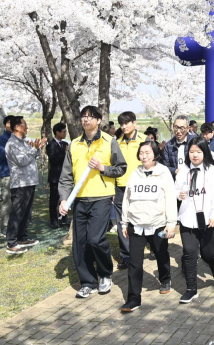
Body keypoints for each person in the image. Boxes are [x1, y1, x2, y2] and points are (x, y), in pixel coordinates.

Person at [58, 105, 127, 298]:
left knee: (95, 239)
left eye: (90, 116)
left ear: (98, 120)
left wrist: (103, 168)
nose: (86, 119)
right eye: (83, 116)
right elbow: (66, 176)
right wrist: (64, 199)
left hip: (101, 198)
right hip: (79, 199)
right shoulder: (74, 144)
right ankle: (88, 282)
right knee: (79, 244)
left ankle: (105, 274)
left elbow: (121, 168)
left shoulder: (109, 141)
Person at [120, 140, 177, 312]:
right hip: (136, 225)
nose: (144, 156)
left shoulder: (163, 172)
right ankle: (133, 298)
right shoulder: (135, 173)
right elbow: (127, 199)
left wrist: (171, 223)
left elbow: (170, 198)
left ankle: (165, 278)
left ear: (155, 154)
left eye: (147, 152)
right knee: (135, 263)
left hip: (158, 224)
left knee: (161, 253)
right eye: (141, 153)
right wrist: (124, 222)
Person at [175, 139, 214, 303]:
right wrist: (178, 194)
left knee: (208, 254)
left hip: (208, 220)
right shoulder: (183, 170)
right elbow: (175, 189)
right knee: (189, 253)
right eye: (191, 152)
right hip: (188, 219)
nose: (194, 155)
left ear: (205, 153)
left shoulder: (212, 171)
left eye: (198, 152)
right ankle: (191, 289)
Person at [4, 116, 46, 254]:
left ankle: (21, 237)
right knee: (17, 212)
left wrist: (37, 148)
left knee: (26, 212)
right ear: (17, 127)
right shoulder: (12, 143)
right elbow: (22, 161)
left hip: (29, 181)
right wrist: (34, 150)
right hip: (20, 183)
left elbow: (31, 156)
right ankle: (11, 242)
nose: (27, 127)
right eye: (25, 125)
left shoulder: (22, 142)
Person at [115, 111, 148, 270]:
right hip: (120, 187)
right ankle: (126, 256)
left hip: (140, 187)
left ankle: (146, 247)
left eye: (127, 123)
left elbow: (152, 163)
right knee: (122, 222)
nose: (124, 126)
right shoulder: (116, 142)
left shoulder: (144, 140)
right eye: (121, 124)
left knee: (140, 219)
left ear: (134, 123)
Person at [0, 115, 15, 237]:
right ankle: (5, 227)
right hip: (7, 174)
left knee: (16, 202)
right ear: (5, 125)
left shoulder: (18, 138)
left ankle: (14, 225)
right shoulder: (2, 139)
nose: (11, 125)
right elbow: (3, 155)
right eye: (8, 123)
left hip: (18, 175)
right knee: (7, 201)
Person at [46, 122, 68, 229]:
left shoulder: (65, 144)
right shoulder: (51, 145)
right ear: (57, 132)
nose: (65, 134)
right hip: (55, 176)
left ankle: (63, 218)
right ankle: (54, 221)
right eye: (63, 132)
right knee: (54, 200)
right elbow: (53, 160)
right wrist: (64, 153)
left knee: (64, 198)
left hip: (65, 177)